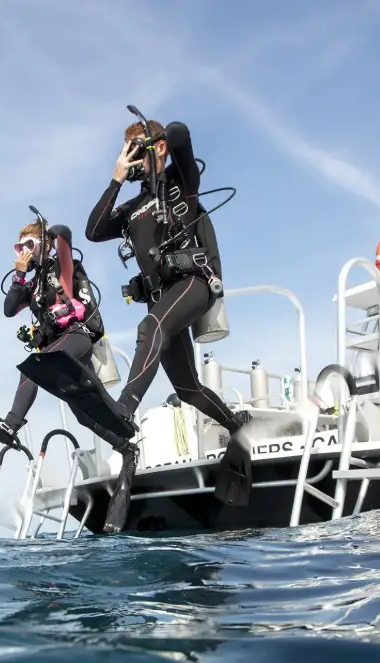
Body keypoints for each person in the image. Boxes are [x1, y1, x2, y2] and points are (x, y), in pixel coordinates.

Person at [83, 117, 247, 439]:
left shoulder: (180, 184)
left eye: (135, 151)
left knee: (149, 327)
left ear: (158, 148)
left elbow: (178, 134)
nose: (130, 158)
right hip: (161, 298)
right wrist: (116, 180)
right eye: (125, 152)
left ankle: (125, 407)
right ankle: (237, 426)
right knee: (188, 389)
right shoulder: (132, 207)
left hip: (193, 284)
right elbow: (93, 231)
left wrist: (157, 150)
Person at [0, 220, 105, 439]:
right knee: (83, 413)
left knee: (32, 367)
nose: (24, 252)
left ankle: (11, 423)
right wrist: (19, 276)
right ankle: (125, 447)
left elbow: (64, 234)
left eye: (29, 245)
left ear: (45, 244)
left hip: (75, 337)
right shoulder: (33, 285)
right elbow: (9, 309)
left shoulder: (61, 267)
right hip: (56, 348)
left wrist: (48, 235)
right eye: (20, 247)